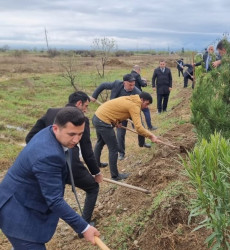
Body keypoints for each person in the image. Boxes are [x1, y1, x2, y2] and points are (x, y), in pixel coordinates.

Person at [0, 107, 100, 249]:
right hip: (18, 215)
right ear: (55, 128)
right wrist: (85, 228)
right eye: (71, 134)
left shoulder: (50, 135)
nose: (76, 140)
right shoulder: (48, 155)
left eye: (80, 134)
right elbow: (54, 200)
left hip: (24, 200)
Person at [26, 91, 103, 229]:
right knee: (93, 188)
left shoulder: (51, 112)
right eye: (85, 106)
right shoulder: (81, 119)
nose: (85, 110)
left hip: (49, 165)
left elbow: (30, 138)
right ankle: (84, 226)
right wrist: (96, 172)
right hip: (69, 164)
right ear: (79, 103)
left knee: (53, 197)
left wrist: (42, 158)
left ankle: (38, 225)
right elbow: (86, 149)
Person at [92, 92, 161, 181]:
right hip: (103, 121)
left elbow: (117, 109)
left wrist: (116, 122)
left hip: (97, 116)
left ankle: (96, 164)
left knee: (100, 142)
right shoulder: (134, 105)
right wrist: (151, 136)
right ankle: (115, 176)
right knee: (113, 148)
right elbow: (139, 127)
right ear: (142, 100)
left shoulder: (131, 98)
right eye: (146, 104)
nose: (146, 106)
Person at [91, 74, 151, 162]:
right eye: (130, 85)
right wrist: (94, 95)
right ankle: (121, 153)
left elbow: (143, 104)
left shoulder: (137, 92)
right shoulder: (116, 84)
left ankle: (142, 143)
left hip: (131, 111)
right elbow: (103, 85)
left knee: (139, 125)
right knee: (120, 133)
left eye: (134, 84)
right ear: (124, 83)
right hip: (117, 114)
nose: (132, 87)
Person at [131, 65, 157, 131]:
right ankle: (150, 126)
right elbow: (143, 84)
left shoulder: (130, 75)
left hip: (131, 97)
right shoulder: (137, 75)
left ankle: (134, 126)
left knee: (134, 112)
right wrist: (145, 81)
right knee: (146, 110)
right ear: (138, 70)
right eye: (140, 71)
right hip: (139, 96)